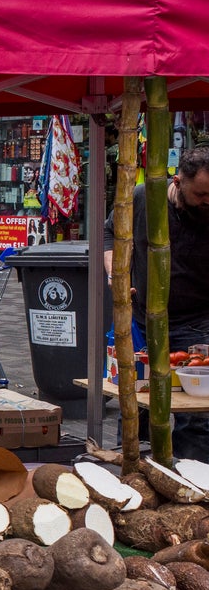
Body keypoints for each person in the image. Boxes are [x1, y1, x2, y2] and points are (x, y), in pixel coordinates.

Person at [103, 147, 209, 460]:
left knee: (198, 415)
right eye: (201, 193)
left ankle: (195, 481)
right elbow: (111, 232)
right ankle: (135, 472)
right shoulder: (142, 197)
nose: (208, 200)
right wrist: (115, 274)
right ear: (178, 181)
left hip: (198, 322)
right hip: (141, 321)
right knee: (135, 405)